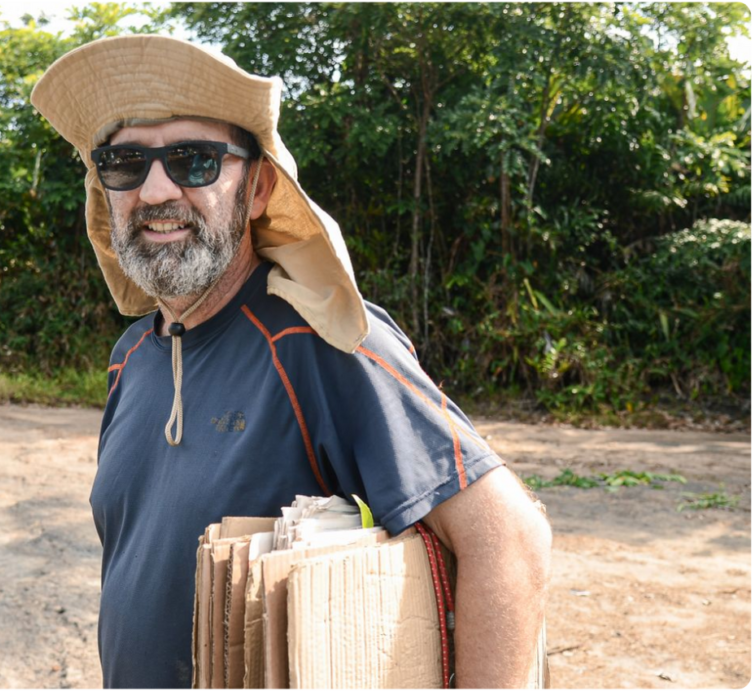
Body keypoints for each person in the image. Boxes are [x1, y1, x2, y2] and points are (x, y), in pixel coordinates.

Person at [32, 35, 551, 691]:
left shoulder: (317, 340)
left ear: (257, 189)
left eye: (193, 161)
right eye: (125, 162)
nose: (154, 188)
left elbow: (509, 540)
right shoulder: (131, 358)